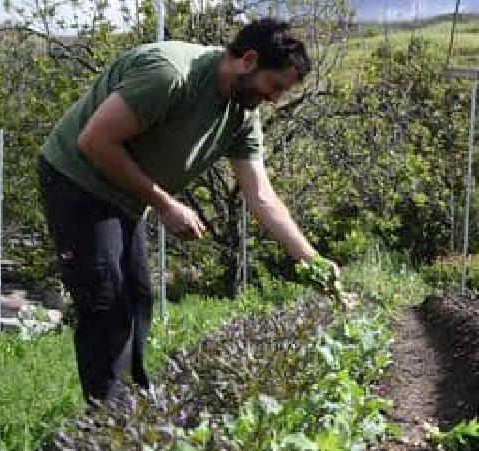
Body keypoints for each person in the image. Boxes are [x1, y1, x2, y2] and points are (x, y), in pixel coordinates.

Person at [37, 17, 341, 405]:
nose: (275, 98)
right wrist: (164, 204)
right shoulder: (171, 76)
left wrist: (312, 261)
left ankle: (132, 414)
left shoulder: (242, 115)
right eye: (274, 86)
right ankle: (107, 424)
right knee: (106, 302)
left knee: (138, 299)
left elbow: (261, 195)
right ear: (248, 60)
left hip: (124, 195)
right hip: (77, 179)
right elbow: (94, 141)